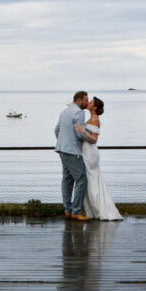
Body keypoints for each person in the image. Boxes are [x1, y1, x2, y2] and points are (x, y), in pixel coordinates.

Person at [78, 97, 122, 221]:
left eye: (91, 102)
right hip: (86, 151)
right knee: (91, 180)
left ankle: (98, 209)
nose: (88, 103)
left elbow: (94, 140)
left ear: (95, 107)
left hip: (90, 153)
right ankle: (94, 209)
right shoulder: (92, 118)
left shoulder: (95, 119)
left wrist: (82, 132)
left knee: (92, 181)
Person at [55, 90, 93, 221]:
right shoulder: (79, 112)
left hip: (61, 149)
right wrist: (89, 137)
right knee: (82, 179)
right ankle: (76, 211)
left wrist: (63, 142)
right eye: (86, 100)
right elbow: (79, 134)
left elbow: (56, 130)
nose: (87, 102)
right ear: (79, 100)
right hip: (72, 151)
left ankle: (68, 210)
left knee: (67, 180)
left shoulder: (64, 111)